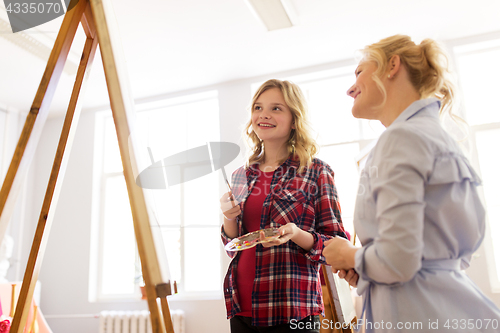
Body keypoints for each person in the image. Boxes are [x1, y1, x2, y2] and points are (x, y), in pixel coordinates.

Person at [323, 34, 500, 332]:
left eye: (359, 72)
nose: (350, 89)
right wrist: (366, 269)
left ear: (393, 65)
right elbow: (437, 254)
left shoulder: (401, 138)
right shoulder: (438, 136)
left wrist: (348, 254)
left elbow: (397, 259)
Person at [220, 79, 347, 332]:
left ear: (294, 119)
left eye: (276, 108)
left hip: (291, 308)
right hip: (241, 306)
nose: (263, 115)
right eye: (258, 108)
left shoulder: (316, 171)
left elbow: (336, 244)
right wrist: (228, 218)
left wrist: (297, 235)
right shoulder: (239, 176)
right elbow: (233, 247)